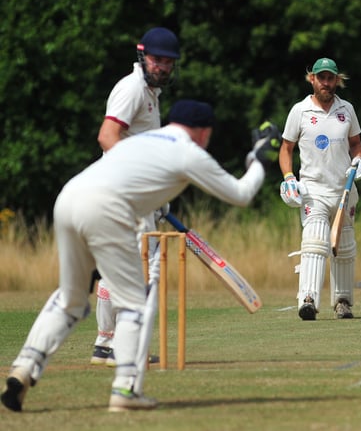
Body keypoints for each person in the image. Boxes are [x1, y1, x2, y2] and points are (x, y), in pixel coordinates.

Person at [1, 100, 281, 412]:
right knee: (134, 302)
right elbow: (240, 195)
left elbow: (131, 181)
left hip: (69, 198)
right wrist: (258, 160)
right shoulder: (189, 151)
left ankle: (23, 368)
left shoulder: (141, 141)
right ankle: (126, 389)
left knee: (71, 299)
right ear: (203, 132)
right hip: (106, 210)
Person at [91, 27, 180, 367]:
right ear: (143, 56)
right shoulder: (131, 89)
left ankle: (106, 342)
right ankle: (125, 346)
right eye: (157, 60)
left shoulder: (149, 91)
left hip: (127, 193)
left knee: (121, 268)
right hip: (125, 192)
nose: (163, 67)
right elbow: (107, 137)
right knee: (145, 270)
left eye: (169, 62)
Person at [278, 57, 361, 321]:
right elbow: (286, 149)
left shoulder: (346, 109)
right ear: (312, 79)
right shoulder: (300, 111)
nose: (326, 83)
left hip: (344, 189)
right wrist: (288, 176)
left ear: (336, 80)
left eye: (330, 78)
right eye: (322, 78)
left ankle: (343, 301)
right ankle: (308, 300)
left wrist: (359, 161)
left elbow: (356, 144)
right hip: (313, 189)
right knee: (315, 241)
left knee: (344, 244)